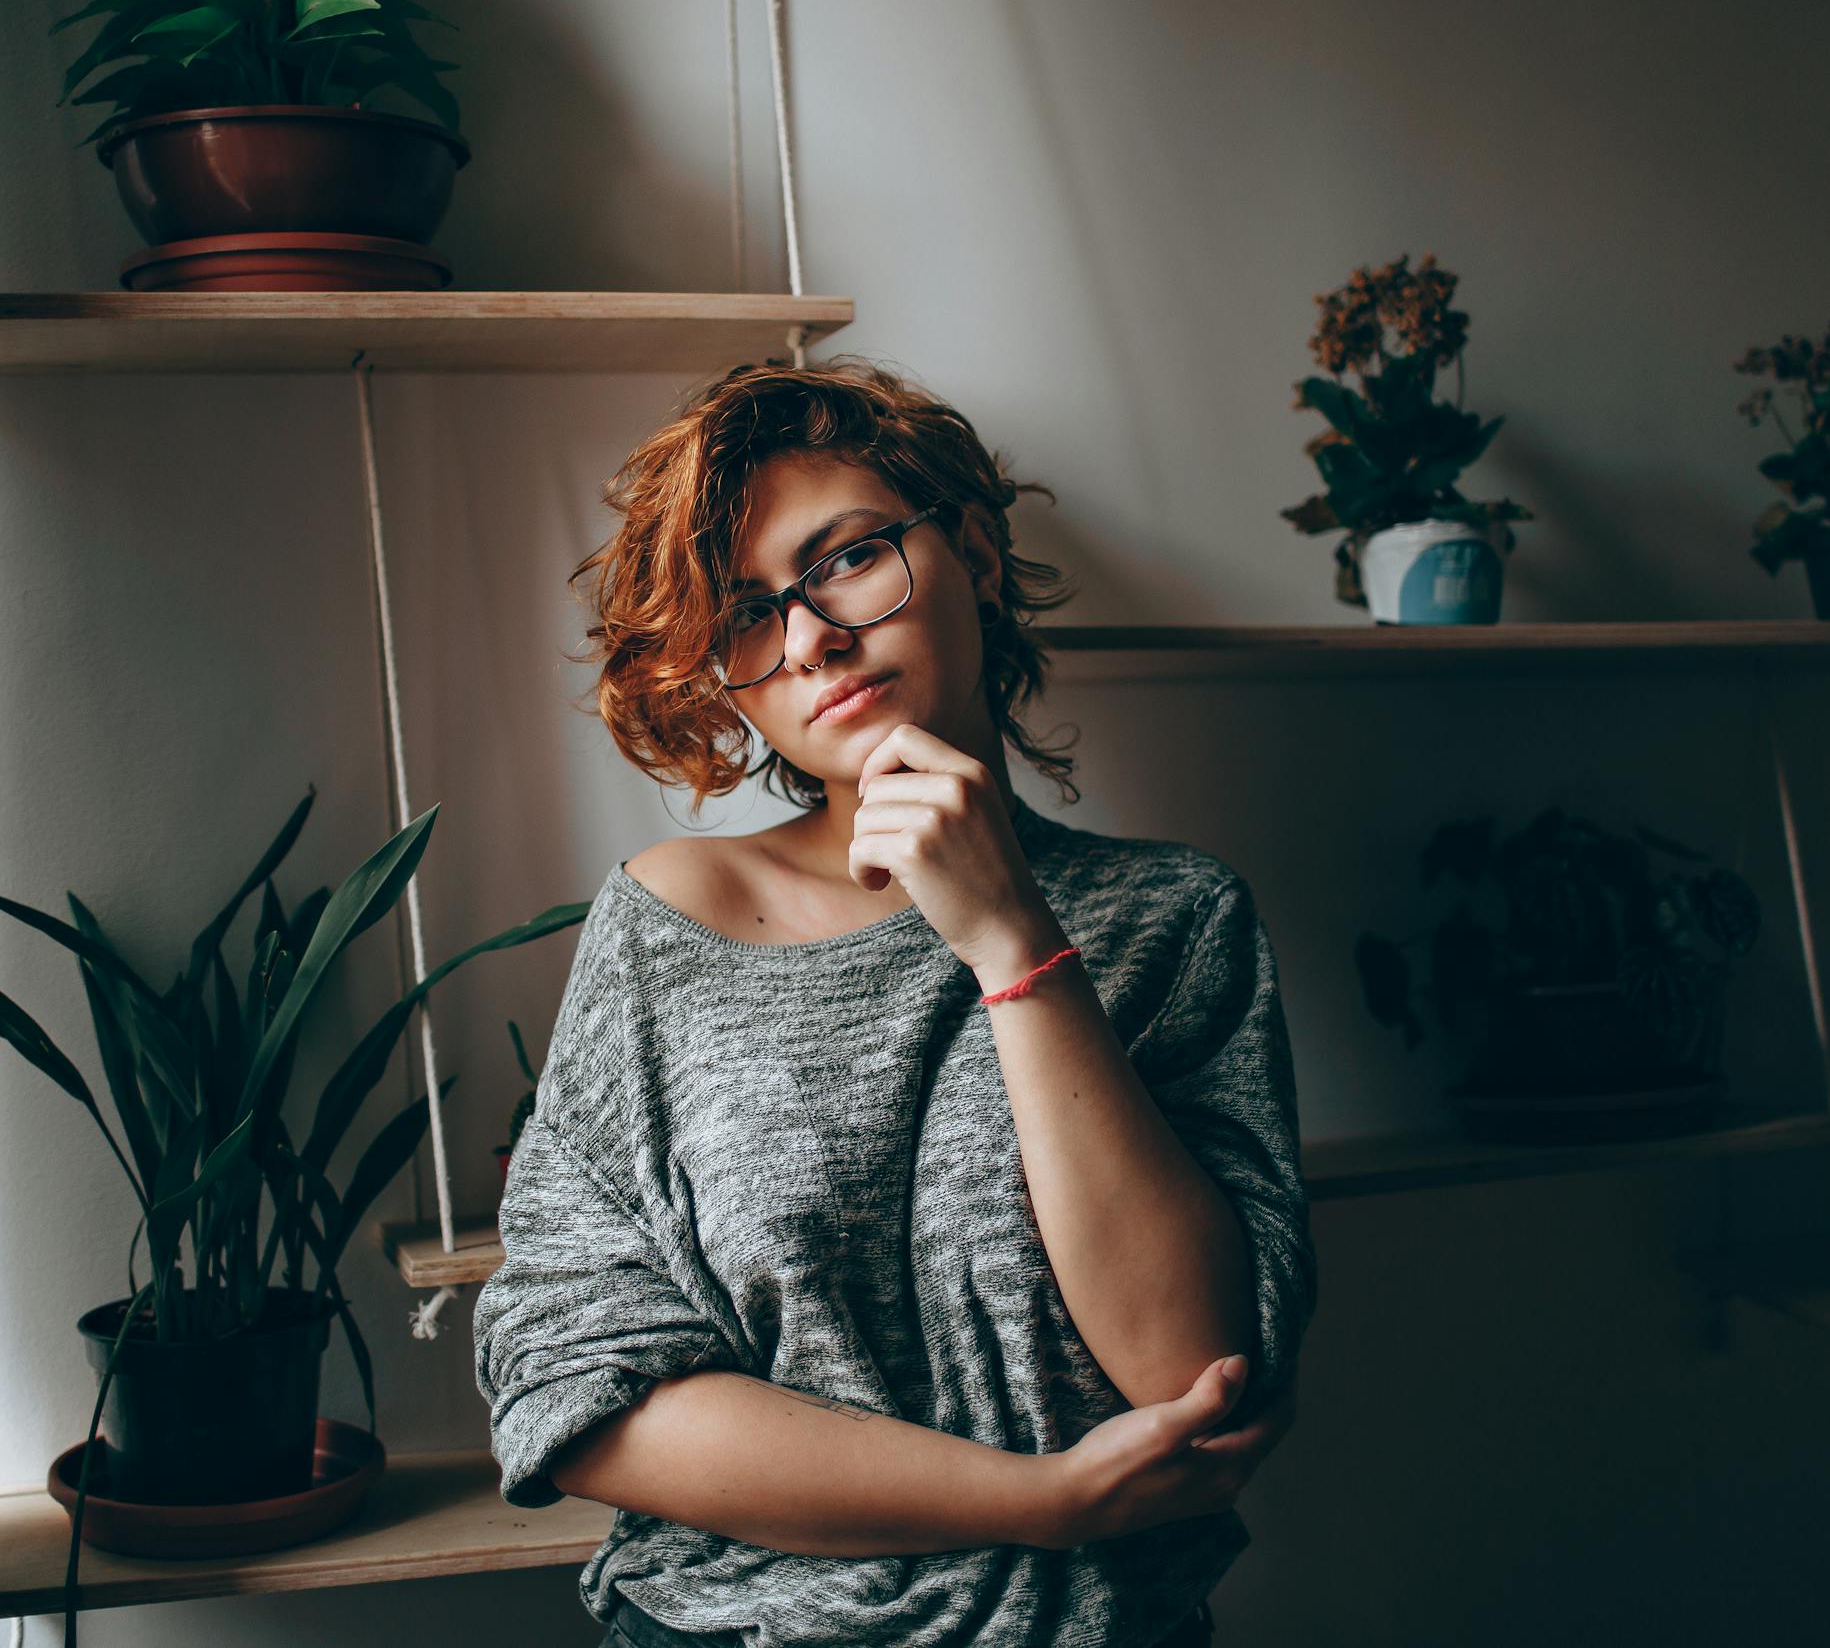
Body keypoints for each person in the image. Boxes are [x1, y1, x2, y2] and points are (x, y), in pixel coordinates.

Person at [471, 358, 1317, 1648]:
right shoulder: (668, 920)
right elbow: (571, 1389)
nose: (810, 637)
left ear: (971, 550)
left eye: (848, 559)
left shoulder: (1176, 922)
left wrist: (1012, 940)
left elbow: (1196, 1365)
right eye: (749, 617)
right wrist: (1042, 1502)